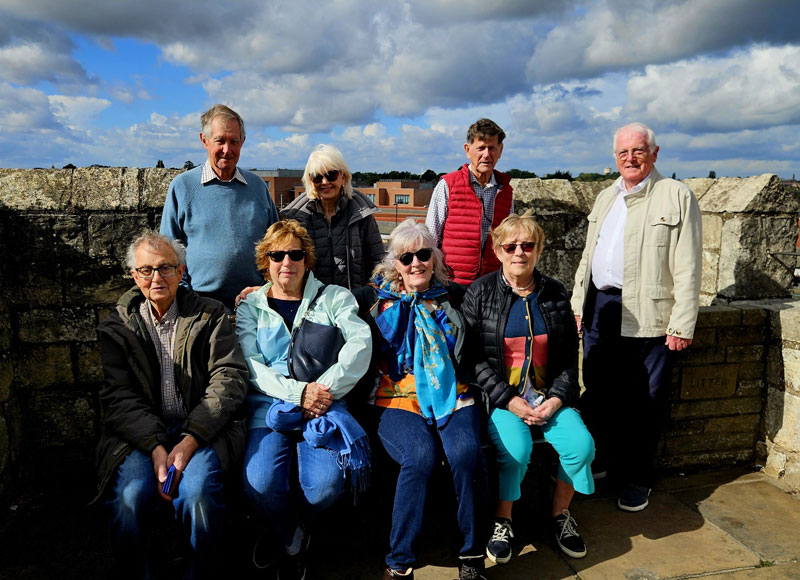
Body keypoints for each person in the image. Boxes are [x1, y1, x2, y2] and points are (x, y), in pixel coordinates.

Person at [95, 231, 249, 579]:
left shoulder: (210, 315)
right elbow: (119, 397)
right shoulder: (117, 327)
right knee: (129, 499)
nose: (156, 278)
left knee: (198, 495)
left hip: (202, 430)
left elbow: (229, 378)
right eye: (146, 270)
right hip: (141, 436)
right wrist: (155, 447)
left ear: (181, 272)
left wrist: (190, 440)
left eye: (166, 268)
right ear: (134, 276)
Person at [571, 122, 702, 512]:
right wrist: (578, 305)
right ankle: (602, 462)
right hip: (601, 309)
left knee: (645, 401)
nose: (630, 158)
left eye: (638, 151)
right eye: (623, 152)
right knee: (599, 391)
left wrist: (682, 323)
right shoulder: (605, 196)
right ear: (615, 157)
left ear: (654, 153)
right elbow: (588, 257)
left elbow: (689, 264)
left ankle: (637, 478)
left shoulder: (676, 195)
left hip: (651, 314)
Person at [235, 220, 372, 580]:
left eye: (295, 254)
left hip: (323, 406)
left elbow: (360, 346)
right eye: (277, 255)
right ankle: (290, 537)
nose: (287, 262)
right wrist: (298, 393)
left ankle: (293, 526)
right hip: (270, 406)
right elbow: (251, 365)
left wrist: (320, 391)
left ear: (307, 259)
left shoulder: (334, 298)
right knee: (260, 485)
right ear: (265, 261)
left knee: (324, 488)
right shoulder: (252, 306)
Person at [355, 219, 488, 580]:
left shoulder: (454, 296)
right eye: (406, 257)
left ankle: (472, 554)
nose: (416, 263)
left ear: (435, 258)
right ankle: (399, 563)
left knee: (465, 454)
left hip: (451, 391)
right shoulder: (374, 300)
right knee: (419, 456)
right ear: (395, 264)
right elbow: (322, 298)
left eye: (423, 254)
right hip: (396, 395)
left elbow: (496, 295)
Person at [461, 211, 595, 563]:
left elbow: (569, 359)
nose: (519, 252)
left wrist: (556, 399)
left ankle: (560, 515)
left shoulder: (555, 293)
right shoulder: (480, 293)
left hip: (548, 397)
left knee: (581, 446)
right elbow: (471, 358)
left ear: (539, 250)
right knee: (517, 451)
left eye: (528, 245)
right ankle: (503, 520)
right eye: (511, 246)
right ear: (498, 251)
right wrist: (508, 400)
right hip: (502, 399)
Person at [160, 104, 279, 311]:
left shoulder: (258, 186)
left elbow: (277, 245)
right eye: (220, 141)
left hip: (254, 302)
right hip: (199, 305)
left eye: (234, 141)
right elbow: (167, 251)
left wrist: (266, 289)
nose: (227, 150)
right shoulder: (183, 187)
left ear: (243, 141)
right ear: (204, 140)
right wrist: (186, 297)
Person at [281, 144, 386, 289]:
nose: (325, 182)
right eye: (317, 177)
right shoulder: (296, 217)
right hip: (312, 299)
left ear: (343, 176)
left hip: (354, 299)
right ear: (310, 181)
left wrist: (370, 290)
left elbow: (379, 260)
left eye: (331, 175)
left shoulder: (361, 213)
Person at [425, 118, 513, 285]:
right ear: (467, 150)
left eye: (492, 148)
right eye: (481, 148)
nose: (486, 155)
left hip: (491, 283)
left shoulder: (506, 191)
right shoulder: (448, 185)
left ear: (500, 150)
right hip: (452, 283)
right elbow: (431, 238)